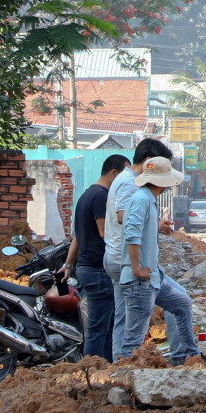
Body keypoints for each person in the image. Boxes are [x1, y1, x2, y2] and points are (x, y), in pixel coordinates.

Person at [117, 156, 204, 366]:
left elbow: (140, 231)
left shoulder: (148, 199)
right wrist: (136, 268)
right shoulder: (142, 199)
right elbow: (131, 234)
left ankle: (189, 357)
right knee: (134, 337)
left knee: (182, 303)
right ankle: (125, 375)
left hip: (152, 277)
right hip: (140, 280)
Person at [103, 138, 174, 360]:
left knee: (124, 320)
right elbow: (124, 218)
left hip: (120, 257)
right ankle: (124, 364)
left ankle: (120, 363)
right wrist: (137, 266)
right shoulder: (129, 182)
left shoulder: (128, 180)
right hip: (125, 259)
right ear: (149, 161)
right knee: (132, 325)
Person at [61, 153, 129, 360]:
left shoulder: (86, 194)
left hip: (87, 267)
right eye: (124, 175)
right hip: (98, 269)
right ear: (114, 173)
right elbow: (104, 232)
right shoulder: (102, 196)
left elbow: (77, 237)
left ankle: (105, 365)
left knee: (104, 324)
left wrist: (68, 265)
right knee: (100, 326)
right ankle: (93, 367)